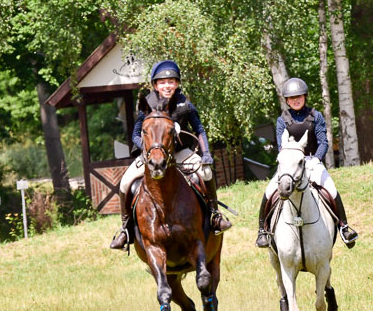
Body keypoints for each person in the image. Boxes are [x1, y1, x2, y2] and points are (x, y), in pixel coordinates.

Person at [110, 60, 232, 250]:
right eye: (162, 82)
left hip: (180, 153)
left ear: (177, 84)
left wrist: (206, 153)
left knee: (206, 173)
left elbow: (199, 129)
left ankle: (214, 215)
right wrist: (149, 149)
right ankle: (125, 229)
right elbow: (135, 134)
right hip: (153, 155)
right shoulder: (147, 104)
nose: (167, 85)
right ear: (155, 85)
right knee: (125, 182)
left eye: (171, 81)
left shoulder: (185, 104)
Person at [255, 77, 358, 249]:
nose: (296, 100)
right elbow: (281, 146)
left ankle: (344, 227)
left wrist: (316, 159)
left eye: (299, 96)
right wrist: (290, 159)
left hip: (312, 161)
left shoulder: (315, 116)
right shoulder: (282, 120)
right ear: (287, 100)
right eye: (292, 98)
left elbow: (323, 142)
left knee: (331, 190)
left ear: (305, 97)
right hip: (290, 163)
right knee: (270, 190)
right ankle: (262, 231)